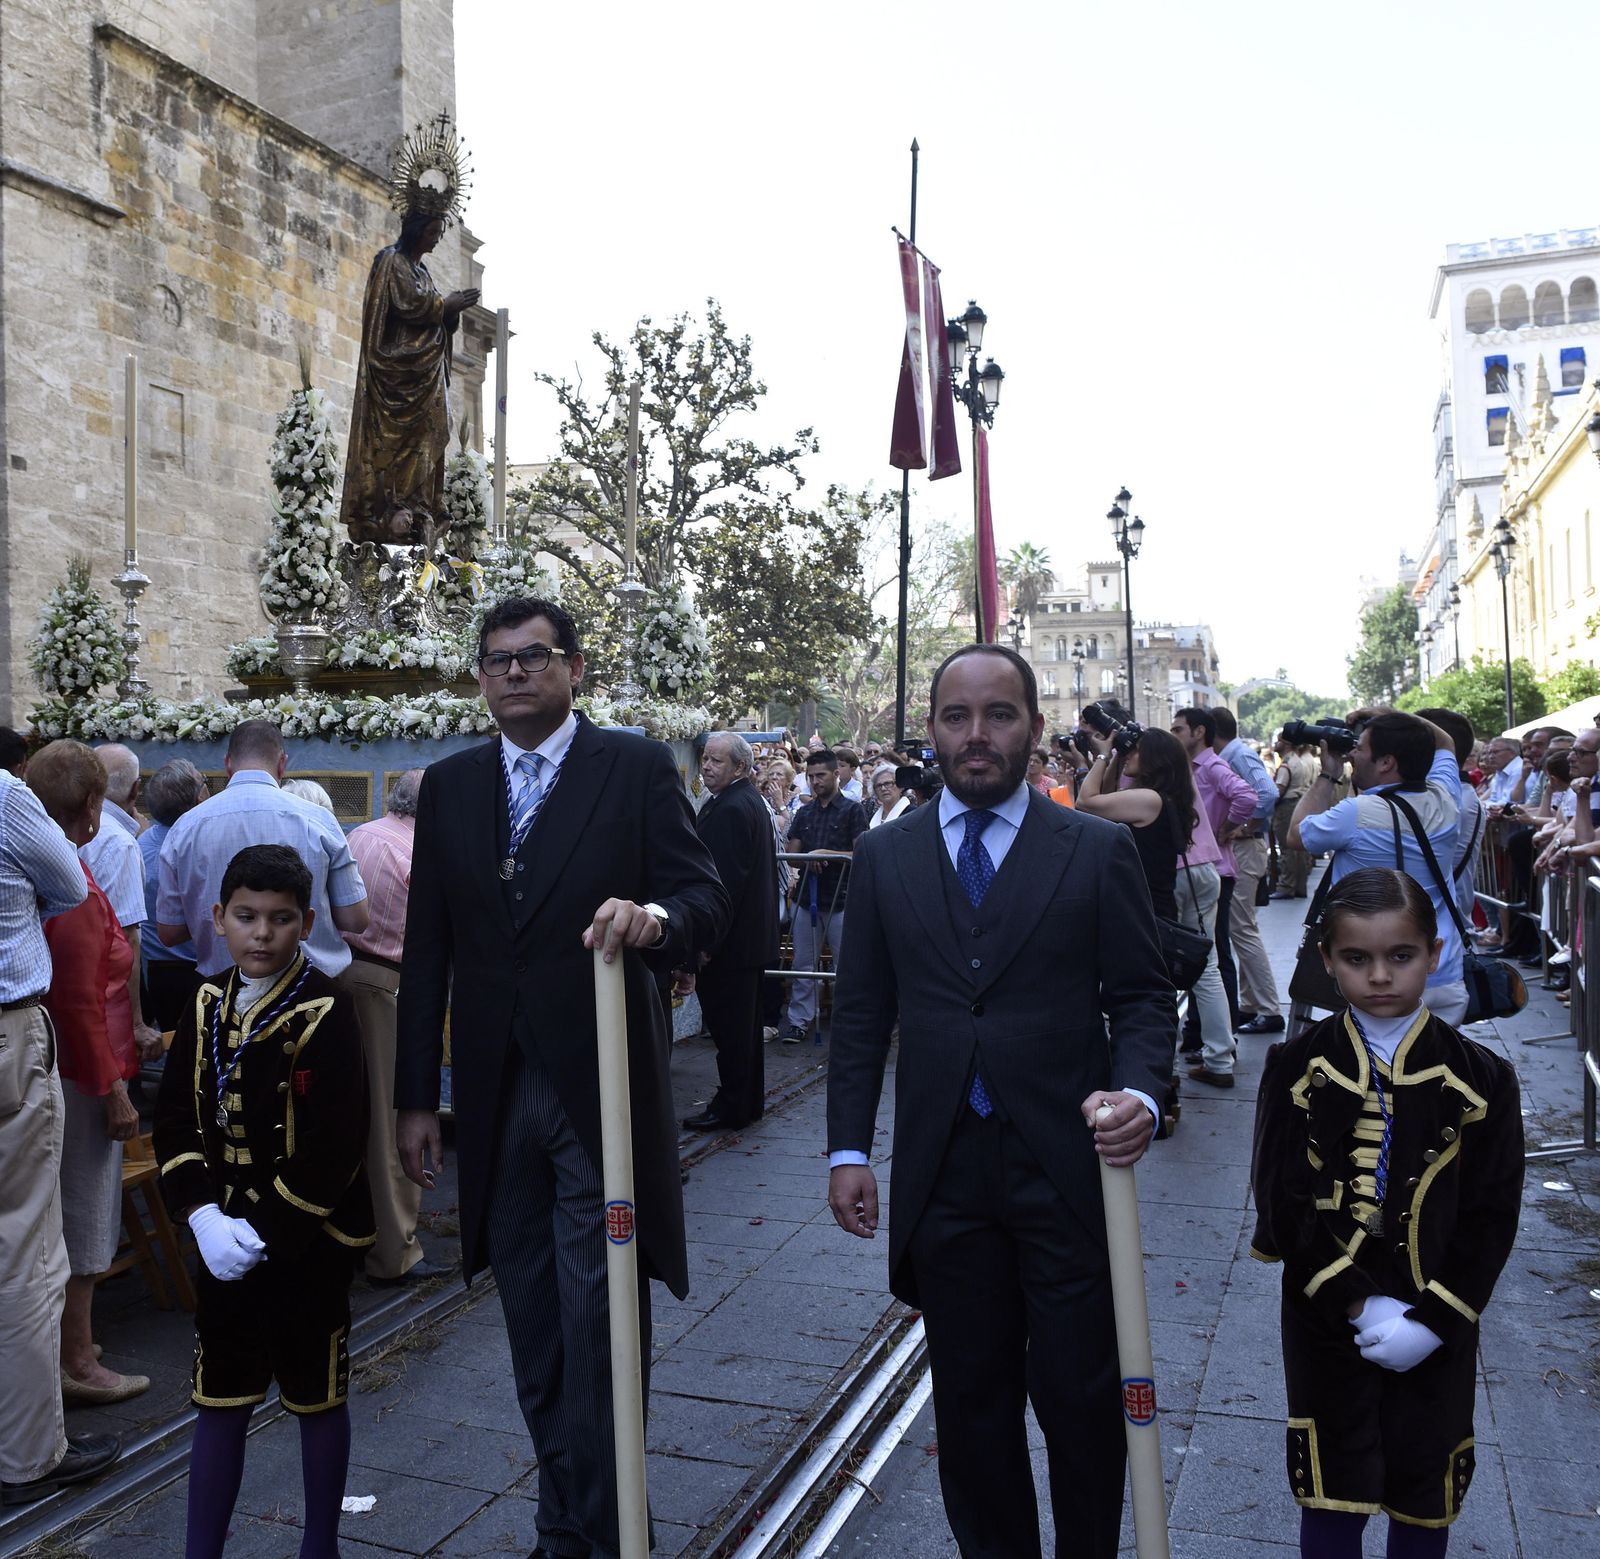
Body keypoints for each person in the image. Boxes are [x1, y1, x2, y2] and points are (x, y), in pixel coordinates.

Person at [393, 596, 727, 1559]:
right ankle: (565, 1515)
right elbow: (429, 952)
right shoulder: (453, 787)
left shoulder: (630, 767)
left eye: (533, 656)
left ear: (573, 667)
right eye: (496, 660)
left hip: (600, 1093)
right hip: (498, 1098)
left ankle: (607, 1527)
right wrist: (420, 1093)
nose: (513, 673)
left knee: (599, 1308)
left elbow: (706, 894)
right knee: (532, 1312)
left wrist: (655, 919)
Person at [826, 643, 1175, 1559]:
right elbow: (861, 1012)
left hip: (1067, 1168)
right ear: (933, 728)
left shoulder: (1095, 849)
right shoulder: (885, 854)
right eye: (956, 716)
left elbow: (1140, 996)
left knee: (1081, 1398)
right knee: (972, 1406)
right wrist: (848, 1148)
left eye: (1000, 714)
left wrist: (1139, 1089)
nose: (977, 735)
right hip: (945, 1174)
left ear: (1033, 726)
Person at [1250, 868, 1522, 1558]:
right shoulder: (1293, 1065)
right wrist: (1356, 1302)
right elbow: (1283, 1203)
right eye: (1356, 958)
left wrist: (1434, 1320)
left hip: (1439, 1321)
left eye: (1400, 956)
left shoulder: (1485, 1078)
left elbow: (1492, 1217)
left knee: (1423, 1490)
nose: (1379, 975)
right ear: (1326, 960)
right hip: (1324, 1319)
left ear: (1434, 953)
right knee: (1332, 1487)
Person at [155, 844, 373, 1559]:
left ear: (307, 922)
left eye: (281, 919)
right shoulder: (205, 1000)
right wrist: (203, 1217)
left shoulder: (325, 1008)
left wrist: (267, 1229)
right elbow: (177, 1122)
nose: (262, 933)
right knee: (220, 1396)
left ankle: (320, 1545)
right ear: (218, 918)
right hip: (223, 1244)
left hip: (305, 1245)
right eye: (246, 916)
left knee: (316, 1394)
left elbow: (336, 1142)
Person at [0, 753, 119, 1507]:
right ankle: (27, 1452)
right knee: (23, 1247)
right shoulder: (7, 796)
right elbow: (70, 883)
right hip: (7, 1031)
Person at [28, 742, 153, 1407]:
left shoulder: (56, 860)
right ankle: (76, 1357)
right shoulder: (68, 878)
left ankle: (70, 1341)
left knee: (72, 1208)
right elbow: (80, 997)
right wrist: (113, 1091)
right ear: (92, 806)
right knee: (85, 1214)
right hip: (84, 1074)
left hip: (77, 1062)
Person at [1290, 708, 1469, 1024]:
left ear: (1386, 762)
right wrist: (1387, 715)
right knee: (1431, 1067)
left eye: (1360, 748)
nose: (1353, 754)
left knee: (1372, 1070)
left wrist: (1329, 773)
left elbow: (1295, 834)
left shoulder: (1355, 814)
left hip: (1375, 980)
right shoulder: (1446, 797)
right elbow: (1446, 743)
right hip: (1440, 971)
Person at [157, 719, 370, 980]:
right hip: (311, 989)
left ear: (227, 764)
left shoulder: (185, 827)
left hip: (224, 990)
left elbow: (170, 931)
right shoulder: (318, 820)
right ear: (282, 763)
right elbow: (355, 920)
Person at [341, 769, 444, 1285]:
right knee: (395, 1119)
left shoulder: (362, 834)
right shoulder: (417, 855)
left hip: (347, 975)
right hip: (389, 985)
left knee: (360, 1116)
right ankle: (394, 1252)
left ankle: (361, 1235)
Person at [340, 209, 481, 546]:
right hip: (398, 369)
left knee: (434, 431)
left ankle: (421, 504)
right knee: (396, 441)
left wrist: (451, 313)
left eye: (438, 233)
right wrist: (444, 305)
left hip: (427, 372)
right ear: (416, 230)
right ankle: (393, 506)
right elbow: (407, 303)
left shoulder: (423, 270)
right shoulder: (392, 261)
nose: (435, 239)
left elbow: (433, 314)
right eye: (431, 232)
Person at [683, 733, 779, 1130]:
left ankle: (734, 1105)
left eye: (716, 761)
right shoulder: (741, 801)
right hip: (747, 943)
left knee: (732, 1032)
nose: (706, 766)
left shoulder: (732, 808)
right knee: (742, 1031)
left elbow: (723, 886)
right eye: (705, 759)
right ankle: (745, 1102)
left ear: (740, 768)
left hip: (732, 946)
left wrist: (705, 944)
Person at [80, 744, 161, 1060]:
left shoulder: (78, 825)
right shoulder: (119, 843)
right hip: (103, 996)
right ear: (136, 789)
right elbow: (127, 937)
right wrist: (136, 1023)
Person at [782, 749, 868, 1043]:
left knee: (845, 966)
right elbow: (791, 856)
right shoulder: (804, 812)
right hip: (808, 898)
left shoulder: (853, 810)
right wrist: (807, 858)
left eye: (821, 775)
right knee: (803, 964)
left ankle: (849, 1021)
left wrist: (826, 854)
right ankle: (799, 1021)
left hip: (842, 901)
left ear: (836, 774)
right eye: (810, 776)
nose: (815, 781)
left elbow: (862, 854)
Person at [1212, 708, 1286, 1034]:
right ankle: (1251, 1004)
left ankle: (1269, 1009)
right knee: (1239, 928)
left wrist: (1240, 825)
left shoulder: (1237, 755)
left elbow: (1268, 793)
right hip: (1243, 847)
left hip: (1244, 848)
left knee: (1242, 929)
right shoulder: (1236, 753)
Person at [138, 760, 209, 1032]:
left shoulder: (141, 844)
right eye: (204, 780)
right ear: (199, 797)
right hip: (199, 968)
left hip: (159, 971)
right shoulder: (201, 844)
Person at [1272, 735, 1318, 899]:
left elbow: (1278, 791)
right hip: (1299, 803)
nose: (1275, 744)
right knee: (1299, 850)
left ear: (1286, 744)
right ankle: (1299, 886)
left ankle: (1286, 886)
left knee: (1287, 848)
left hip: (1287, 806)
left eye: (1278, 741)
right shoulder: (1300, 761)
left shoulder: (1287, 764)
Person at [867, 762, 912, 827]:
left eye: (888, 784)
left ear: (901, 786)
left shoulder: (912, 813)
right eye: (879, 785)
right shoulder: (871, 818)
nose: (883, 788)